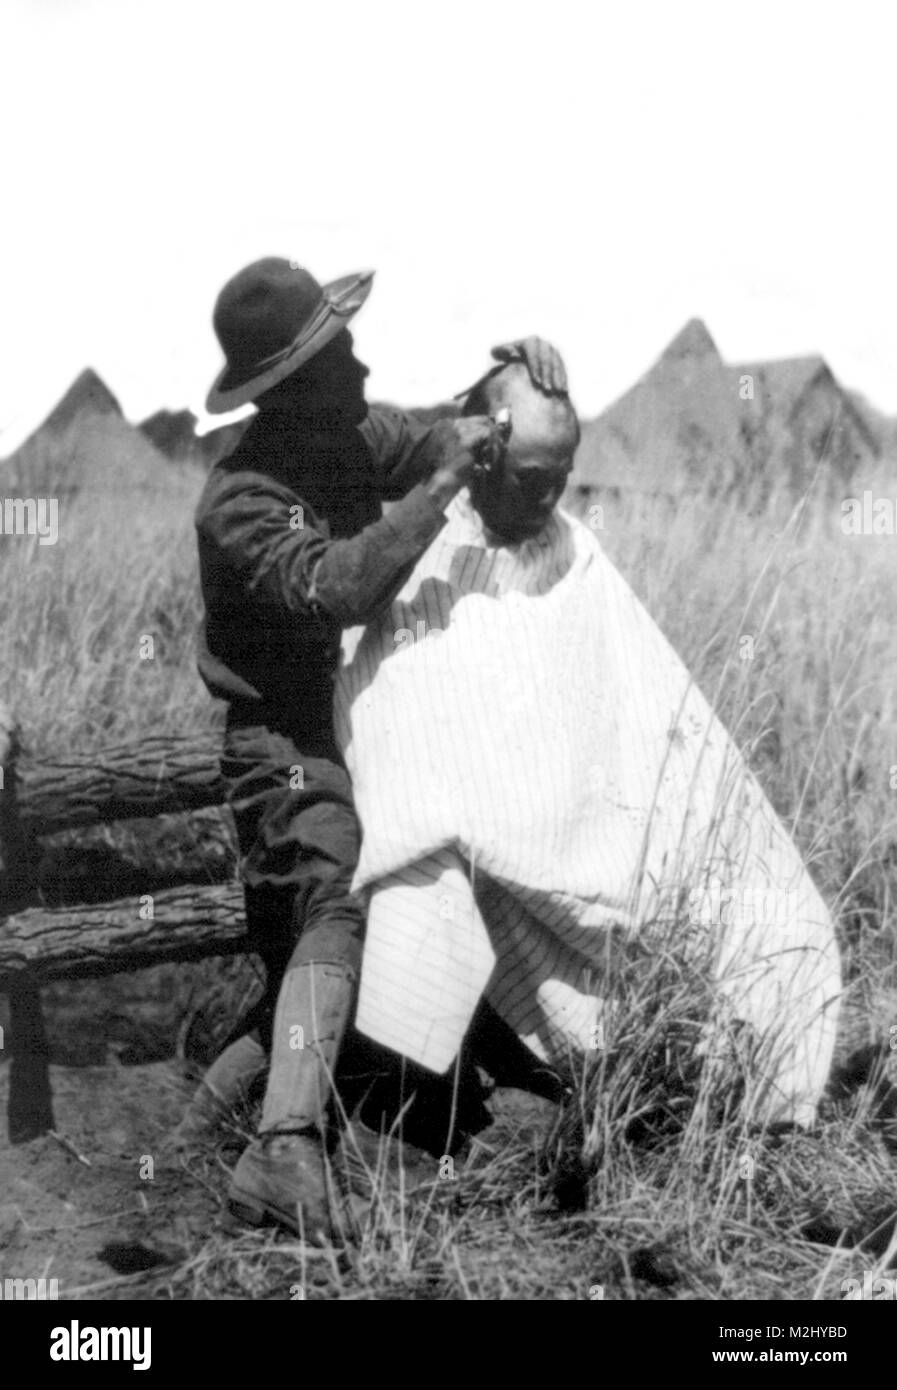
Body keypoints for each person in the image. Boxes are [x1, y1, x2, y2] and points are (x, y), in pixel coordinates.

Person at [335, 361, 841, 1131]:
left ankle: (714, 1094)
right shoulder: (421, 544)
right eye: (530, 476)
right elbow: (400, 733)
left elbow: (647, 716)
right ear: (481, 454)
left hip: (592, 830)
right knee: (431, 875)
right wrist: (498, 814)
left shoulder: (574, 553)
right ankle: (424, 1102)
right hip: (482, 834)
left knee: (780, 922)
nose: (548, 497)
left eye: (562, 476)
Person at [186, 256, 566, 1239]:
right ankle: (283, 1151)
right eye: (339, 354)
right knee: (332, 889)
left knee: (329, 940)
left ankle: (199, 1130)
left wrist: (505, 395)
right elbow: (342, 584)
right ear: (294, 384)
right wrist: (440, 482)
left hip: (356, 716)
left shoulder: (346, 434)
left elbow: (446, 434)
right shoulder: (238, 499)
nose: (359, 369)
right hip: (281, 738)